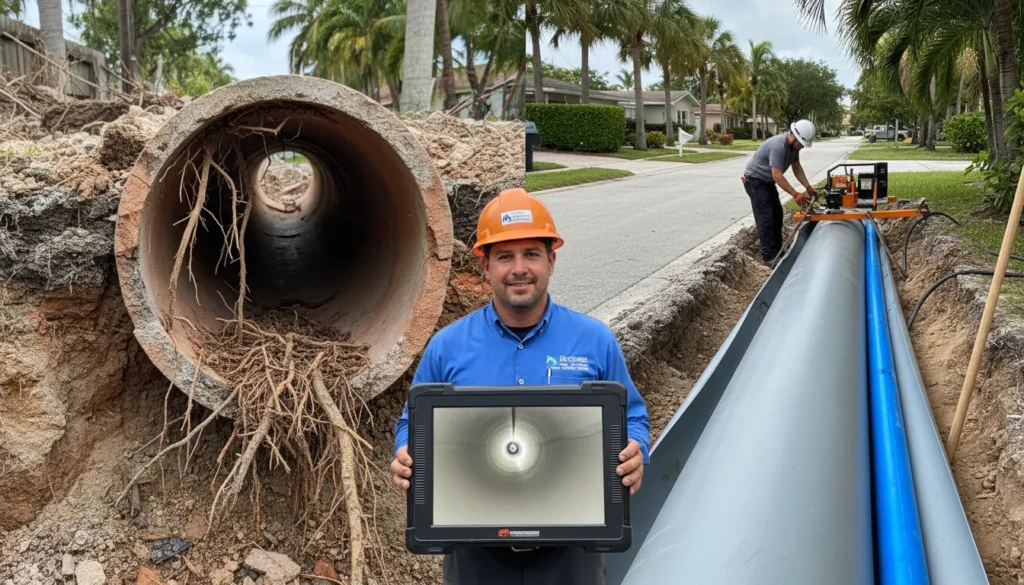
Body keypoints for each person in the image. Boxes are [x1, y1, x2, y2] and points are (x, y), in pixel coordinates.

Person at [390, 187, 651, 585]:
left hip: (571, 552)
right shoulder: (448, 346)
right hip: (476, 552)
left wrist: (636, 451)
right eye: (505, 256)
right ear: (485, 267)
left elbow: (632, 416)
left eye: (531, 254)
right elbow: (412, 423)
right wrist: (407, 452)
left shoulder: (595, 341)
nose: (519, 269)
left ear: (551, 260)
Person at [741, 119, 819, 264]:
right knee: (765, 217)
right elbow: (777, 175)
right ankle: (769, 257)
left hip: (767, 181)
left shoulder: (793, 148)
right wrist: (795, 194)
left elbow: (796, 167)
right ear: (793, 136)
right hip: (754, 181)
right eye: (801, 144)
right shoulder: (778, 146)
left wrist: (808, 187)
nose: (801, 147)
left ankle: (778, 250)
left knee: (777, 213)